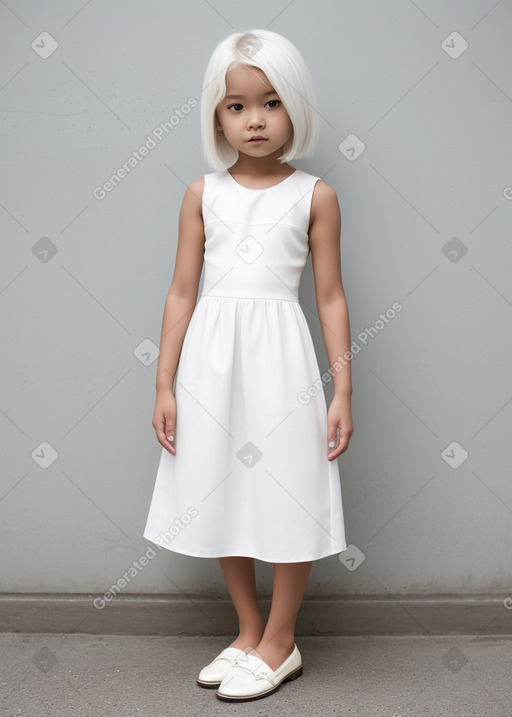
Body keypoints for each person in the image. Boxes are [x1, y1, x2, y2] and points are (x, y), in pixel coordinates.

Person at [143, 28, 354, 702]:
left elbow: (329, 296)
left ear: (294, 108)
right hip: (211, 359)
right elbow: (181, 290)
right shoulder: (201, 194)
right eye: (236, 105)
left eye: (270, 103)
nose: (254, 119)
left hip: (281, 359)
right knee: (219, 483)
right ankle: (249, 628)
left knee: (288, 487)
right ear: (215, 113)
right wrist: (164, 382)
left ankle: (282, 639)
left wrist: (342, 386)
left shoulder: (314, 195)